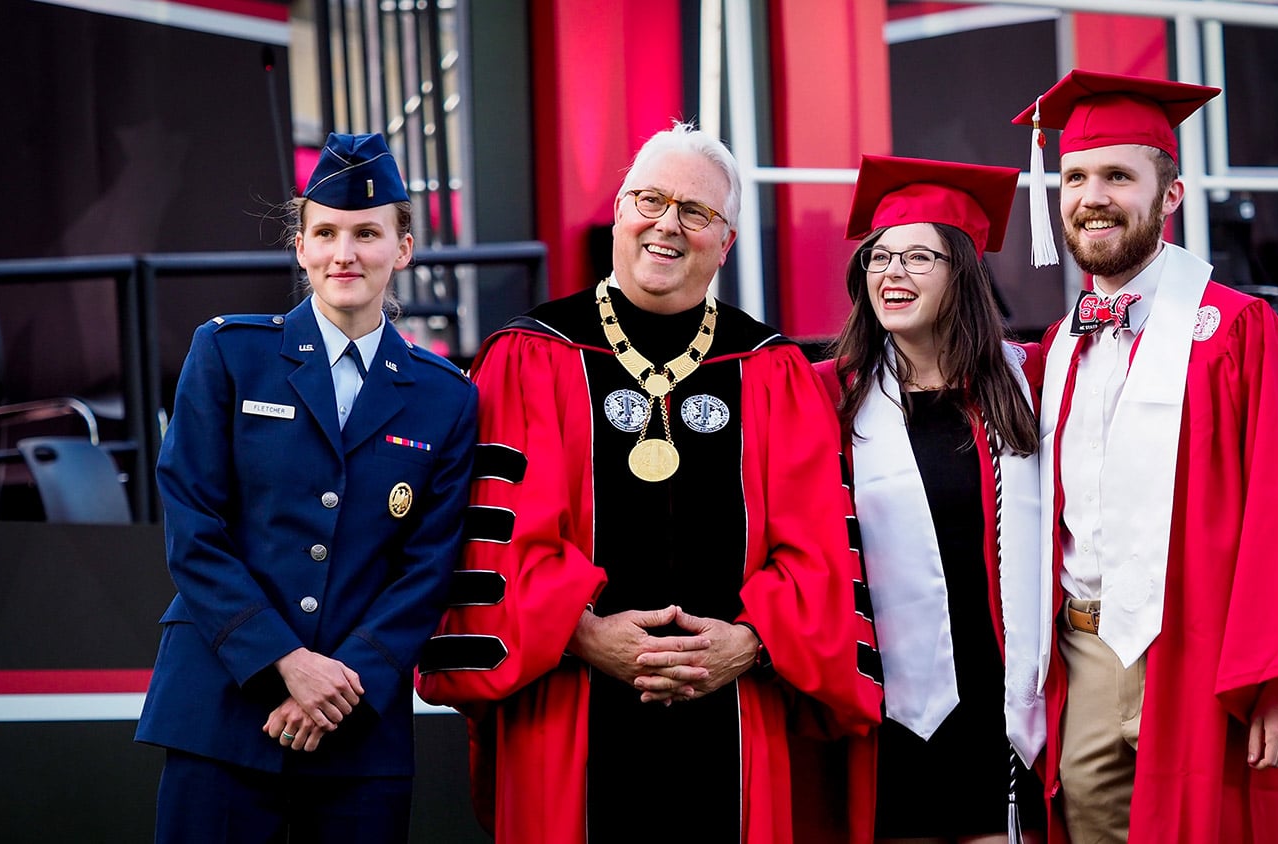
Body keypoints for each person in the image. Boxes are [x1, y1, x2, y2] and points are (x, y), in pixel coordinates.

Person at [415, 120, 882, 843]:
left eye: (695, 213)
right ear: (618, 213)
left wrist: (752, 640)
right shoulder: (531, 354)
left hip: (734, 705)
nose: (668, 225)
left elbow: (817, 548)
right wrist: (583, 632)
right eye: (650, 200)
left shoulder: (771, 368)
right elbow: (496, 545)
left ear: (725, 242)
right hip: (569, 705)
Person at [1010, 70, 1278, 843]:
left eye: (1118, 175)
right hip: (1083, 652)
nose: (1092, 196)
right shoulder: (1060, 345)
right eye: (1075, 176)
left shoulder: (1237, 332)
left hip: (1203, 655)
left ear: (1169, 196)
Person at [134, 132, 479, 842]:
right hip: (224, 710)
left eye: (366, 233)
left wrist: (339, 684)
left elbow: (427, 567)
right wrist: (283, 663)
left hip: (358, 732)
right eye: (324, 232)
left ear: (403, 249)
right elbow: (193, 525)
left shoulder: (445, 397)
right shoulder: (230, 353)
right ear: (300, 247)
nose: (343, 252)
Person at [813, 153, 1048, 844]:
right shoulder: (828, 395)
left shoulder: (1030, 382)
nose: (891, 271)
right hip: (893, 709)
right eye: (879, 257)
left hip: (1006, 707)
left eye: (918, 256)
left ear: (963, 274)